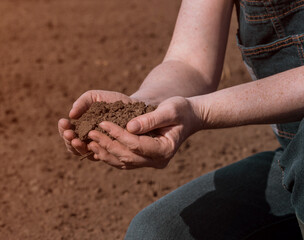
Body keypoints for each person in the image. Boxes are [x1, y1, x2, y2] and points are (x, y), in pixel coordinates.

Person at [58, 0, 304, 239]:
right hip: (290, 161)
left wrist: (200, 111)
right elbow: (190, 63)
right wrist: (141, 108)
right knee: (154, 233)